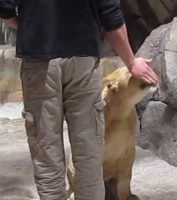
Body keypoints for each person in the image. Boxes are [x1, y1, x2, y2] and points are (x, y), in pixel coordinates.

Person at [0, 0, 159, 200]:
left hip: (39, 60)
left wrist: (31, 28)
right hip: (83, 59)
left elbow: (5, 8)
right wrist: (131, 61)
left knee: (46, 152)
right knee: (89, 152)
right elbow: (111, 13)